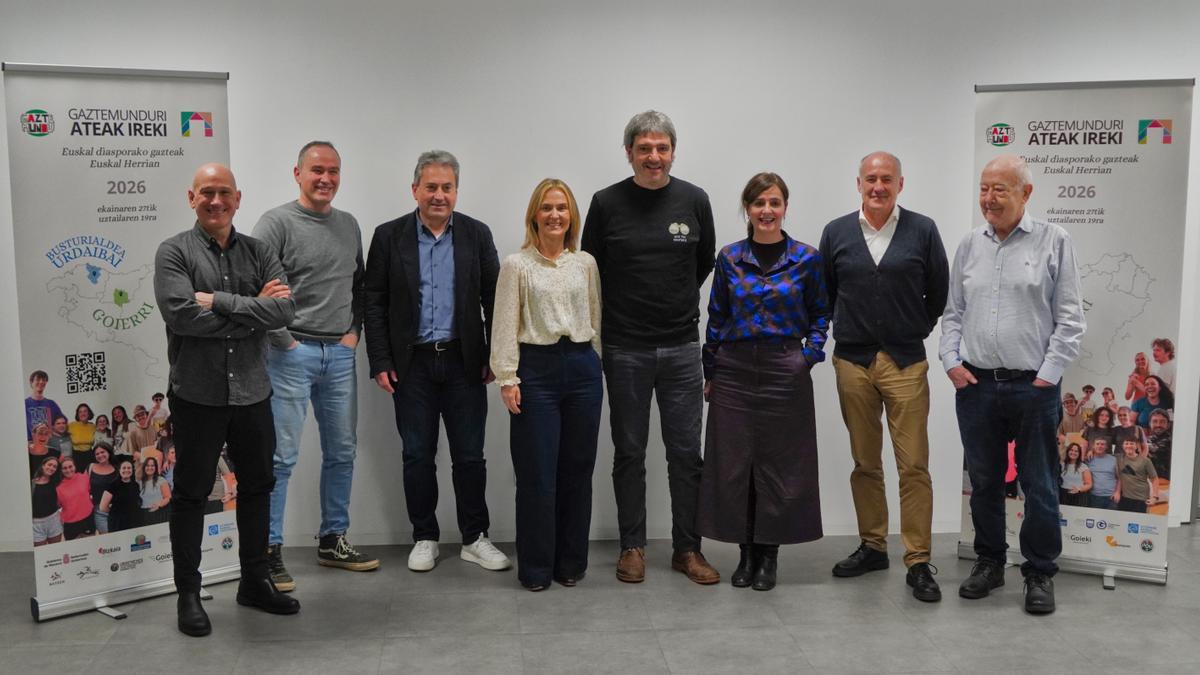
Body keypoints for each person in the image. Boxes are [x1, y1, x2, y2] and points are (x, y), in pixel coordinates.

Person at [153, 162, 299, 637]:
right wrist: (256, 309)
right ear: (191, 198)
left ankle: (254, 582)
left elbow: (285, 310)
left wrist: (216, 300)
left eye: (224, 193)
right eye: (207, 193)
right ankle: (188, 594)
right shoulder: (173, 252)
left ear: (238, 199)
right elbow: (181, 316)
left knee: (257, 487)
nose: (216, 201)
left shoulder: (260, 251)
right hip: (198, 395)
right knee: (191, 495)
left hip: (253, 393)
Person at [940, 155, 1084, 615]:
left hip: (1033, 388)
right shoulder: (969, 245)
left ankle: (1039, 571)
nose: (989, 198)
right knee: (984, 481)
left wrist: (1047, 375)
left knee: (1038, 484)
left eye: (999, 189)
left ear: (1026, 193)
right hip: (976, 385)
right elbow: (953, 313)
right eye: (984, 189)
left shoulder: (1054, 240)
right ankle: (990, 562)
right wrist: (951, 361)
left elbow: (1071, 319)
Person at [580, 110, 719, 585]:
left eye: (662, 148)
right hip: (625, 348)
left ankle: (688, 549)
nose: (654, 156)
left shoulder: (694, 200)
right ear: (629, 153)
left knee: (686, 455)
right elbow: (591, 269)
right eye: (644, 149)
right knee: (629, 453)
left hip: (682, 347)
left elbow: (702, 263)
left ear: (673, 152)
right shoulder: (606, 203)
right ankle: (632, 547)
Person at [364, 150, 510, 574]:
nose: (439, 195)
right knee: (417, 455)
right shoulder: (388, 236)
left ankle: (474, 537)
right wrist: (380, 359)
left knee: (470, 456)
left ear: (456, 191)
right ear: (415, 190)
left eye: (447, 187)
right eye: (431, 187)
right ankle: (424, 536)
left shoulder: (476, 234)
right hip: (413, 366)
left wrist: (495, 356)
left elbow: (494, 300)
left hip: (465, 363)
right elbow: (373, 302)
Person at [818, 151, 948, 602]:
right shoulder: (836, 232)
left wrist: (912, 330)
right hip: (852, 363)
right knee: (865, 462)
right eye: (870, 178)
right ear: (859, 183)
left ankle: (918, 560)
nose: (878, 186)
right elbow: (825, 293)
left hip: (905, 362)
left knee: (913, 465)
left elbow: (938, 292)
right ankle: (873, 546)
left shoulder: (922, 230)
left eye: (886, 179)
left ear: (900, 184)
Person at [254, 140, 376, 590]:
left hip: (339, 355)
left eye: (333, 171)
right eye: (317, 170)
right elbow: (255, 289)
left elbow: (359, 285)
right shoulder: (276, 223)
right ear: (298, 173)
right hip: (291, 354)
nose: (326, 179)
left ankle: (332, 540)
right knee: (281, 457)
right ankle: (268, 550)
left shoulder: (349, 225)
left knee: (342, 452)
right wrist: (283, 341)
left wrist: (353, 333)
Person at [698, 172, 829, 592]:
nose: (766, 210)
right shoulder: (730, 258)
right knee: (735, 466)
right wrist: (711, 371)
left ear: (785, 207)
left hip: (783, 370)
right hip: (734, 370)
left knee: (780, 465)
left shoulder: (806, 258)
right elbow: (716, 316)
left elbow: (821, 314)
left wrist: (806, 357)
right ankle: (745, 554)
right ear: (748, 209)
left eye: (774, 203)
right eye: (759, 203)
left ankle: (768, 555)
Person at [491, 178, 603, 591]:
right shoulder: (517, 265)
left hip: (582, 368)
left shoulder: (585, 263)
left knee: (578, 470)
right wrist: (507, 376)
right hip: (535, 371)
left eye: (562, 208)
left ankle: (571, 563)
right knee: (537, 473)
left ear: (571, 215)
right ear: (534, 216)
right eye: (547, 208)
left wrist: (595, 361)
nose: (555, 215)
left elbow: (595, 316)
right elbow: (504, 323)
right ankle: (537, 568)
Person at [55, 457, 96, 539]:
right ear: (61, 470)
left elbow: (89, 493)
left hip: (87, 519)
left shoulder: (84, 478)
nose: (68, 470)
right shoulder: (58, 487)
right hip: (70, 523)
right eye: (64, 468)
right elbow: (58, 505)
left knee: (90, 543)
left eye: (70, 466)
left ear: (75, 467)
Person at [1114, 438, 1158, 513]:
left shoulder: (1145, 461)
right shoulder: (1119, 458)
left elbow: (1154, 479)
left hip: (1141, 499)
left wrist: (1154, 497)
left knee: (1139, 520)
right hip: (1125, 498)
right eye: (1126, 444)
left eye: (1131, 444)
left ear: (1137, 446)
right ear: (1123, 446)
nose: (1129, 446)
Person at [99, 457, 141, 532]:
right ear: (119, 470)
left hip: (133, 521)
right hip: (117, 523)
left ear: (132, 470)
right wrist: (115, 513)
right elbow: (102, 507)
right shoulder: (112, 485)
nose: (126, 470)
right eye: (124, 468)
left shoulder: (136, 485)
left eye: (129, 468)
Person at [87, 442, 118, 533]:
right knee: (107, 536)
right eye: (97, 454)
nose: (100, 455)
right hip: (99, 510)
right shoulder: (91, 467)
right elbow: (83, 487)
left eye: (102, 452)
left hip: (115, 509)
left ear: (109, 452)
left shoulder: (117, 468)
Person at [31, 455, 63, 546]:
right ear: (43, 465)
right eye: (49, 465)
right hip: (36, 523)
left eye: (55, 466)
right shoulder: (31, 483)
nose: (51, 468)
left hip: (54, 520)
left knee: (55, 549)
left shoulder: (56, 481)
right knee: (40, 551)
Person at [25, 370, 63, 441]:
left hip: (49, 443)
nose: (41, 382)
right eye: (38, 379)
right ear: (31, 382)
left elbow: (61, 424)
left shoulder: (51, 404)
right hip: (30, 444)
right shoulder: (25, 404)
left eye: (43, 380)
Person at [1086, 438, 1118, 510]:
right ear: (1093, 446)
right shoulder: (1088, 459)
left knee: (1112, 517)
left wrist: (1117, 492)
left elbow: (1119, 478)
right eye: (1097, 444)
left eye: (1102, 444)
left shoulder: (1113, 459)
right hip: (1094, 496)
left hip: (1111, 497)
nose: (1100, 446)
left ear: (1106, 447)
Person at [138, 456, 172, 525]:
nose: (150, 468)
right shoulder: (140, 482)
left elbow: (168, 497)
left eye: (152, 466)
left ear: (156, 467)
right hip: (144, 515)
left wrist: (159, 504)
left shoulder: (161, 480)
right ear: (144, 467)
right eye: (147, 465)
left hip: (158, 513)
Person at [1058, 443, 1091, 508]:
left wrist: (1079, 489)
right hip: (1063, 495)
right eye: (1071, 450)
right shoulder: (1061, 465)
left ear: (1079, 454)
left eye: (1076, 451)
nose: (1073, 452)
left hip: (1078, 496)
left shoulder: (1083, 467)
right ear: (1068, 451)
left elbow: (1089, 484)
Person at [68, 403, 97, 470]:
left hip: (89, 455)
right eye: (80, 412)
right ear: (77, 414)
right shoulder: (71, 425)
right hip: (76, 456)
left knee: (90, 474)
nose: (83, 413)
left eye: (85, 411)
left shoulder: (93, 426)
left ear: (89, 413)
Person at [1146, 409, 1172, 479]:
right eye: (1155, 421)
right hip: (1148, 481)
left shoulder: (1172, 440)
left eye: (1162, 422)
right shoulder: (1148, 439)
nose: (1158, 425)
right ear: (1149, 424)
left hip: (1166, 481)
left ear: (1168, 424)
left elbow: (1155, 449)